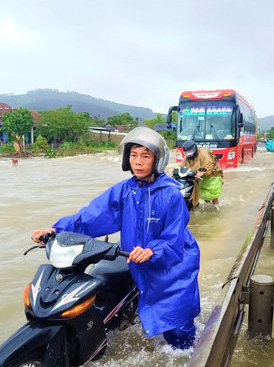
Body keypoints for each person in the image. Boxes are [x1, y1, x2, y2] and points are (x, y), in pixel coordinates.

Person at [32, 127, 200, 349]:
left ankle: (190, 360)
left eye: (145, 156)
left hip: (174, 266)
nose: (138, 162)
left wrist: (152, 250)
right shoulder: (123, 191)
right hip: (137, 260)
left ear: (157, 160)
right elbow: (91, 216)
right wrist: (56, 229)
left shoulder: (170, 194)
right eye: (133, 155)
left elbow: (174, 236)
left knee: (178, 327)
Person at [181, 140, 223, 207]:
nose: (189, 154)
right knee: (199, 192)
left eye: (190, 152)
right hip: (199, 177)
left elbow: (209, 167)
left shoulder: (204, 155)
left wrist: (203, 172)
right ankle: (208, 205)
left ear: (194, 149)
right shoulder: (187, 158)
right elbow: (182, 166)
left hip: (213, 175)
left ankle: (216, 208)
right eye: (187, 152)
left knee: (213, 195)